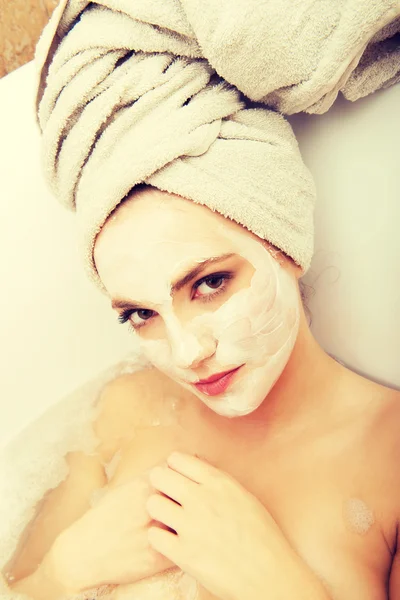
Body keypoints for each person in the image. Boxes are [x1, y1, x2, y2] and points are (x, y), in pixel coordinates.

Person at [6, 183, 400, 600]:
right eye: (141, 314)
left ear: (285, 246)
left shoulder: (389, 453)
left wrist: (280, 586)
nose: (186, 353)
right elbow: (21, 587)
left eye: (211, 283)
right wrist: (65, 569)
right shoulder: (126, 407)